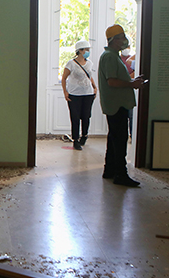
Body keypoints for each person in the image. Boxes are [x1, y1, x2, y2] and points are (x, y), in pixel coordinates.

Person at [98, 25, 146, 187]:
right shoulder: (110, 57)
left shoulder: (112, 56)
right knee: (120, 139)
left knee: (114, 138)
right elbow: (112, 81)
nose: (124, 40)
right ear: (113, 40)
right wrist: (132, 84)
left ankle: (110, 169)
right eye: (121, 37)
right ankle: (121, 174)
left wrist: (131, 82)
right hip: (116, 104)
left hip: (116, 104)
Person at [61, 40, 98, 151]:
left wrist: (95, 87)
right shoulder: (71, 63)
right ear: (80, 51)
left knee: (86, 116)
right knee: (75, 117)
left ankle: (84, 136)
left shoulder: (90, 63)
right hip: (74, 94)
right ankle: (75, 140)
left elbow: (89, 76)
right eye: (86, 50)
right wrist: (65, 92)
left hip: (88, 94)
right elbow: (64, 78)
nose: (88, 52)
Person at [120, 47, 136, 138]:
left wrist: (126, 80)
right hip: (120, 91)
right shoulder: (117, 59)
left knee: (131, 115)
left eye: (128, 47)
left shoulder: (132, 60)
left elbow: (135, 72)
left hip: (130, 89)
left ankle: (131, 135)